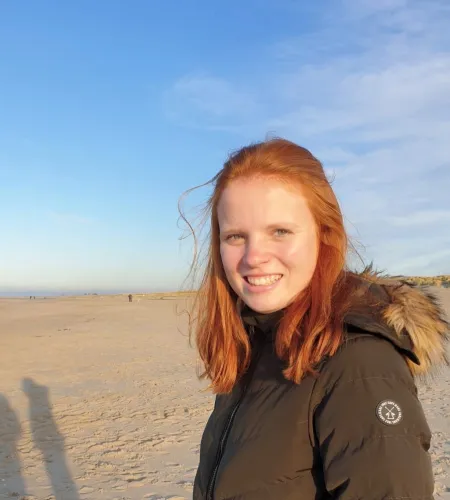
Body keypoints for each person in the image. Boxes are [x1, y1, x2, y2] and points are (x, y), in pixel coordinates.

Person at [184, 138, 449, 500]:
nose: (253, 256)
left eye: (280, 231)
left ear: (324, 234)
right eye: (235, 236)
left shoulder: (358, 362)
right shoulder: (254, 339)